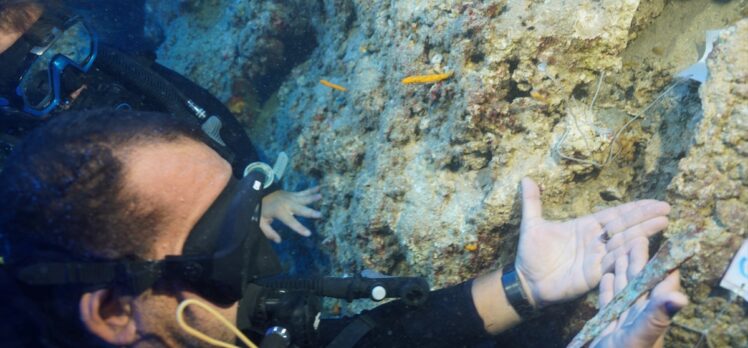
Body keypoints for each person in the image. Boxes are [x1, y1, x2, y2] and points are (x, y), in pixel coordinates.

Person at [0, 108, 688, 347]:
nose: (261, 241)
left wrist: (521, 288)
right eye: (221, 237)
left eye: (250, 204)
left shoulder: (212, 327)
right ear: (117, 310)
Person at [0, 0, 320, 244]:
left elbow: (198, 108)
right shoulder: (16, 170)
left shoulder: (114, 68)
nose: (71, 77)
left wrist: (261, 189)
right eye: (35, 79)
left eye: (69, 46)